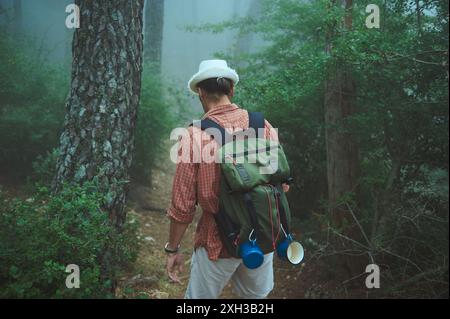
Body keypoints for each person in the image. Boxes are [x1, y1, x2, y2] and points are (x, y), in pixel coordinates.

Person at [165, 59, 285, 299]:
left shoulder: (195, 135)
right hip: (263, 236)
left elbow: (183, 206)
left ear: (200, 91)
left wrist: (173, 249)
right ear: (231, 89)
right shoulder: (263, 126)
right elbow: (283, 185)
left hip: (217, 240)